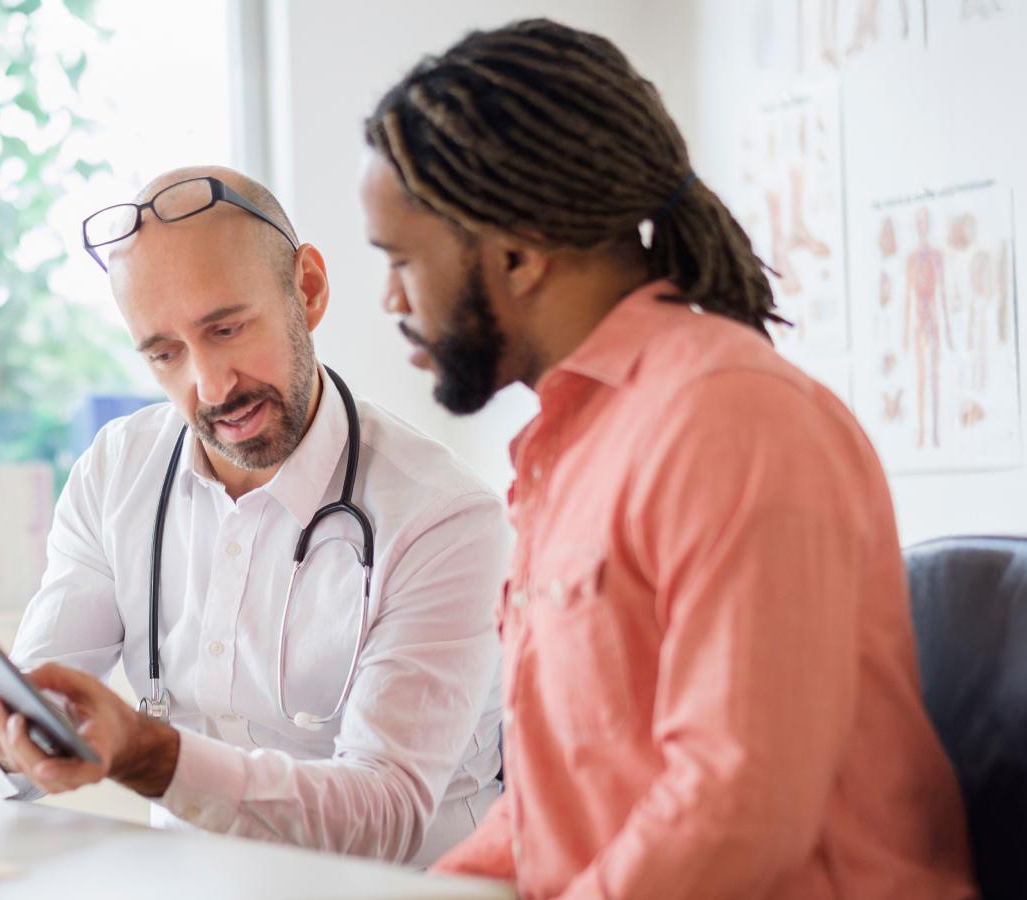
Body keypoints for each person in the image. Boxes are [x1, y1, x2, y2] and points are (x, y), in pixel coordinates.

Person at [358, 18, 977, 899]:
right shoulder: (570, 443)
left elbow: (737, 814)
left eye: (400, 261)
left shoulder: (730, 423)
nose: (389, 299)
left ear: (520, 252)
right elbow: (556, 814)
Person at [0, 165, 506, 866]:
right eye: (165, 353)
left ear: (307, 289)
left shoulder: (444, 516)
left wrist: (148, 755)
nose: (210, 386)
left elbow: (385, 815)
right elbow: (46, 708)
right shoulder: (116, 472)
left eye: (226, 328)